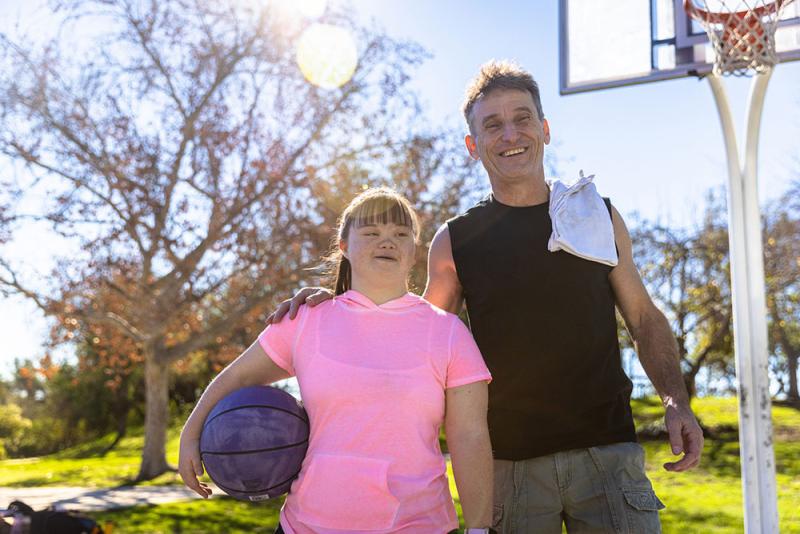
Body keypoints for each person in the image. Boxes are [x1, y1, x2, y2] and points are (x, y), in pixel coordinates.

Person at [269, 61, 704, 533]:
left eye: (522, 118)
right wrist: (337, 301)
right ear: (473, 146)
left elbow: (643, 317)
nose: (510, 133)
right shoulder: (455, 240)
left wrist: (675, 400)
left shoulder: (596, 215)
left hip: (608, 452)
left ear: (545, 129)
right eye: (492, 125)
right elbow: (413, 335)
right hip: (508, 467)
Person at [178, 187, 496, 534]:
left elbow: (470, 435)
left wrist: (479, 528)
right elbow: (235, 379)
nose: (387, 241)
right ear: (344, 246)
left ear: (413, 250)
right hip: (307, 524)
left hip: (419, 524)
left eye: (400, 234)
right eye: (371, 232)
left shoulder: (448, 332)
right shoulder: (305, 320)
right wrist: (189, 436)